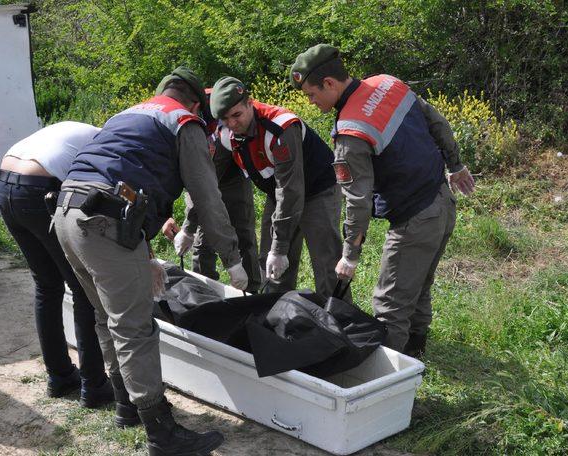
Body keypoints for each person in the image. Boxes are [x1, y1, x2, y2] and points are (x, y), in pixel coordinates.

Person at [53, 66, 247, 455]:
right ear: (196, 102)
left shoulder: (128, 114)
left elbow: (123, 176)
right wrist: (233, 259)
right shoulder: (184, 121)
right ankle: (161, 432)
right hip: (103, 221)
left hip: (65, 213)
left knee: (106, 316)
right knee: (135, 328)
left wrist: (147, 253)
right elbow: (207, 196)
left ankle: (127, 405)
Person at [290, 44, 476, 357]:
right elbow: (438, 123)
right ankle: (416, 351)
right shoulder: (388, 84)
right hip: (443, 202)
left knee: (390, 305)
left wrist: (349, 254)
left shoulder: (350, 131)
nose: (311, 102)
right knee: (418, 285)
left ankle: (389, 379)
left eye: (311, 94)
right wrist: (455, 166)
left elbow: (357, 199)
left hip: (414, 219)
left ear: (330, 84)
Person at [186, 76, 347, 300]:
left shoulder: (280, 128)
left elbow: (291, 191)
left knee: (326, 262)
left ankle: (341, 321)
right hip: (277, 192)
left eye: (237, 115)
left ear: (249, 104)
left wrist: (280, 247)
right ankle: (280, 316)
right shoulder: (225, 134)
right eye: (225, 118)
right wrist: (189, 227)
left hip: (317, 190)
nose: (232, 124)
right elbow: (209, 181)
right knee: (271, 267)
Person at [0, 121, 114, 408]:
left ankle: (60, 377)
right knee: (82, 286)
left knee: (46, 285)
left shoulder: (80, 131)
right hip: (38, 189)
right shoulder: (105, 143)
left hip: (4, 184)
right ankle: (94, 385)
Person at [174, 89, 261, 293]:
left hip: (232, 178)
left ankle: (251, 292)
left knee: (244, 234)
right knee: (202, 242)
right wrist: (189, 228)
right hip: (200, 175)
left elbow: (209, 179)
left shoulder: (221, 114)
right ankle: (204, 292)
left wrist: (187, 227)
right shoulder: (177, 117)